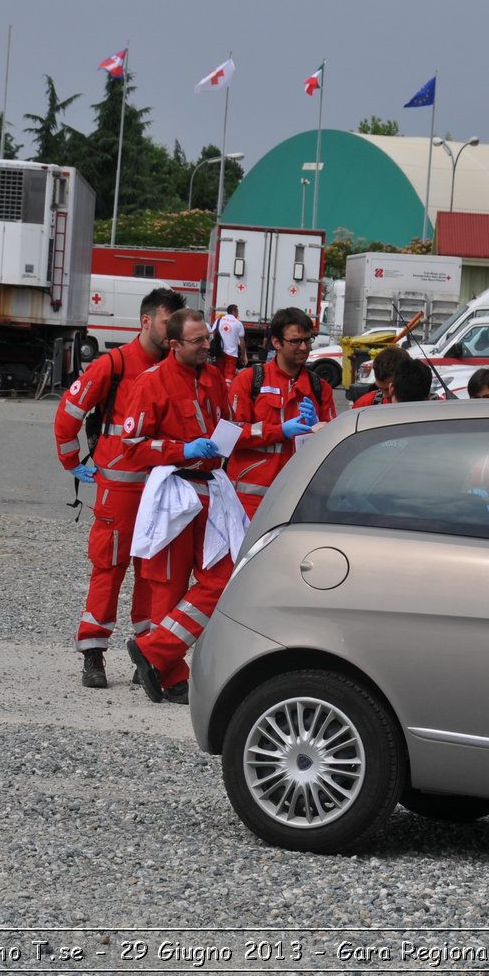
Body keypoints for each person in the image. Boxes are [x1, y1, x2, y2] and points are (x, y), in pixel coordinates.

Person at [52, 286, 187, 689]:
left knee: (153, 572)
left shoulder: (176, 368)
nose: (174, 331)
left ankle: (147, 653)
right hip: (121, 488)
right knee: (109, 567)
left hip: (161, 488)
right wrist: (72, 462)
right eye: (168, 323)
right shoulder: (114, 364)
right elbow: (68, 415)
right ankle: (93, 653)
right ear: (146, 321)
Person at [120, 309, 238, 705]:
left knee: (224, 578)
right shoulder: (150, 383)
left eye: (208, 338)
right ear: (174, 344)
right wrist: (179, 450)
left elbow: (227, 426)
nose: (208, 345)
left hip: (212, 490)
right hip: (174, 492)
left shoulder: (214, 378)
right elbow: (132, 448)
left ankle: (153, 651)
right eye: (198, 341)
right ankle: (172, 677)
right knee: (167, 588)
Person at [225, 307, 336, 517]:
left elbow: (334, 444)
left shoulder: (320, 388)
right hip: (249, 499)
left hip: (299, 497)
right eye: (295, 341)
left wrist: (322, 430)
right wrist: (280, 431)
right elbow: (231, 435)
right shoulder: (249, 380)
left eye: (308, 340)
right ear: (276, 343)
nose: (304, 347)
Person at [351, 344, 409, 409]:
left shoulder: (421, 404)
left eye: (389, 389)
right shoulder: (364, 405)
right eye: (380, 388)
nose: (385, 395)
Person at [212, 304, 245, 385]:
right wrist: (243, 355)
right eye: (237, 311)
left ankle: (219, 393)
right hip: (232, 353)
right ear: (233, 311)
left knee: (220, 374)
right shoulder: (238, 323)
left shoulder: (218, 320)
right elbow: (242, 342)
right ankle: (227, 394)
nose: (238, 313)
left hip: (220, 351)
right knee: (229, 376)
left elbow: (212, 333)